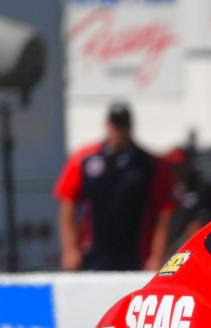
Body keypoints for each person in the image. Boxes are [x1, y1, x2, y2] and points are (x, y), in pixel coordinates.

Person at [54, 103, 176, 271]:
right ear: (107, 125)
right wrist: (70, 249)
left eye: (123, 126)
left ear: (130, 127)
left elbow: (165, 212)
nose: (118, 131)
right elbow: (67, 203)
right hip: (92, 255)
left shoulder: (149, 165)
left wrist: (157, 256)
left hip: (137, 256)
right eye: (115, 125)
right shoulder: (84, 159)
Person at [164, 145, 211, 251]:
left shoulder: (203, 187)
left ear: (188, 165)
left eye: (180, 166)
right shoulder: (168, 187)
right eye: (172, 167)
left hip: (192, 248)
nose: (176, 171)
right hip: (169, 246)